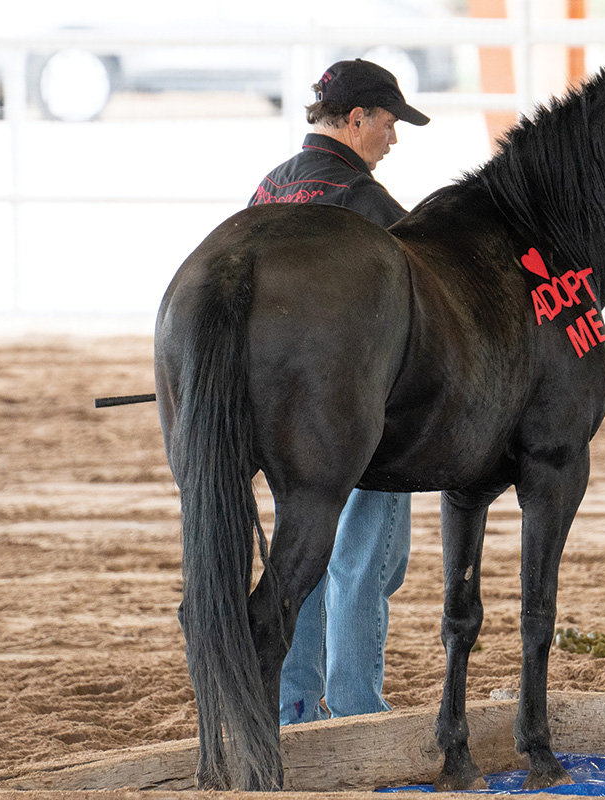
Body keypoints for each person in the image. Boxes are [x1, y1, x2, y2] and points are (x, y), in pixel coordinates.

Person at [248, 58, 429, 725]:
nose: (394, 138)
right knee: (364, 560)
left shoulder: (267, 192)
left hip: (278, 412)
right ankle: (357, 707)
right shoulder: (368, 206)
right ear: (356, 120)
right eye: (388, 122)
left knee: (303, 548)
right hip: (358, 413)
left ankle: (295, 704)